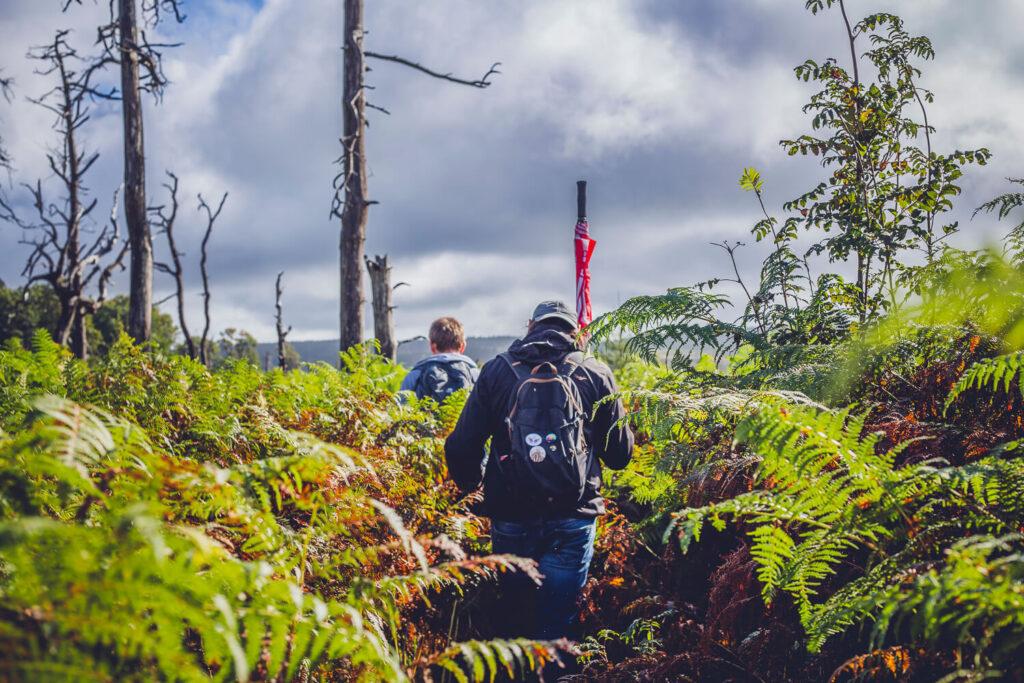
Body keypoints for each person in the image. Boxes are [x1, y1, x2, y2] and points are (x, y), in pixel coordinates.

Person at [444, 300, 634, 644]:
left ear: (531, 326)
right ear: (575, 332)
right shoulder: (595, 371)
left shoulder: (498, 371)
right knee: (556, 627)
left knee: (515, 623)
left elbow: (460, 445)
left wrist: (473, 490)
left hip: (511, 516)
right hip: (573, 517)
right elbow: (620, 455)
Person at [400, 316, 479, 403]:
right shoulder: (475, 374)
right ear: (463, 346)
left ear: (432, 346)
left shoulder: (415, 375)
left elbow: (400, 411)